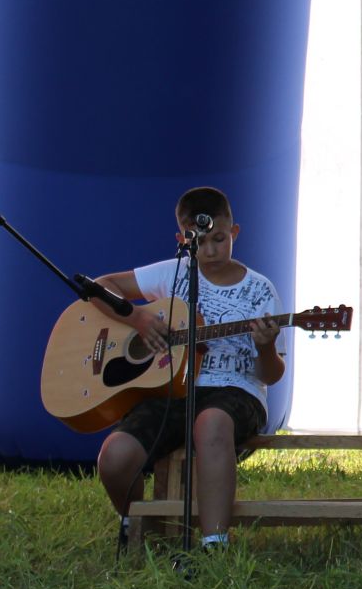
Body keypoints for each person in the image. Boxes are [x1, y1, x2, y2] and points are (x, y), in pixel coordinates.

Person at [92, 186, 286, 553]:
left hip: (235, 392)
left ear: (235, 233)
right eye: (199, 241)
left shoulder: (260, 291)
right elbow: (101, 286)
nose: (210, 250)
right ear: (181, 239)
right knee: (115, 455)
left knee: (210, 422)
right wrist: (140, 320)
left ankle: (215, 542)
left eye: (219, 239)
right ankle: (137, 527)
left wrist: (265, 346)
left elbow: (270, 375)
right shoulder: (173, 273)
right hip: (172, 388)